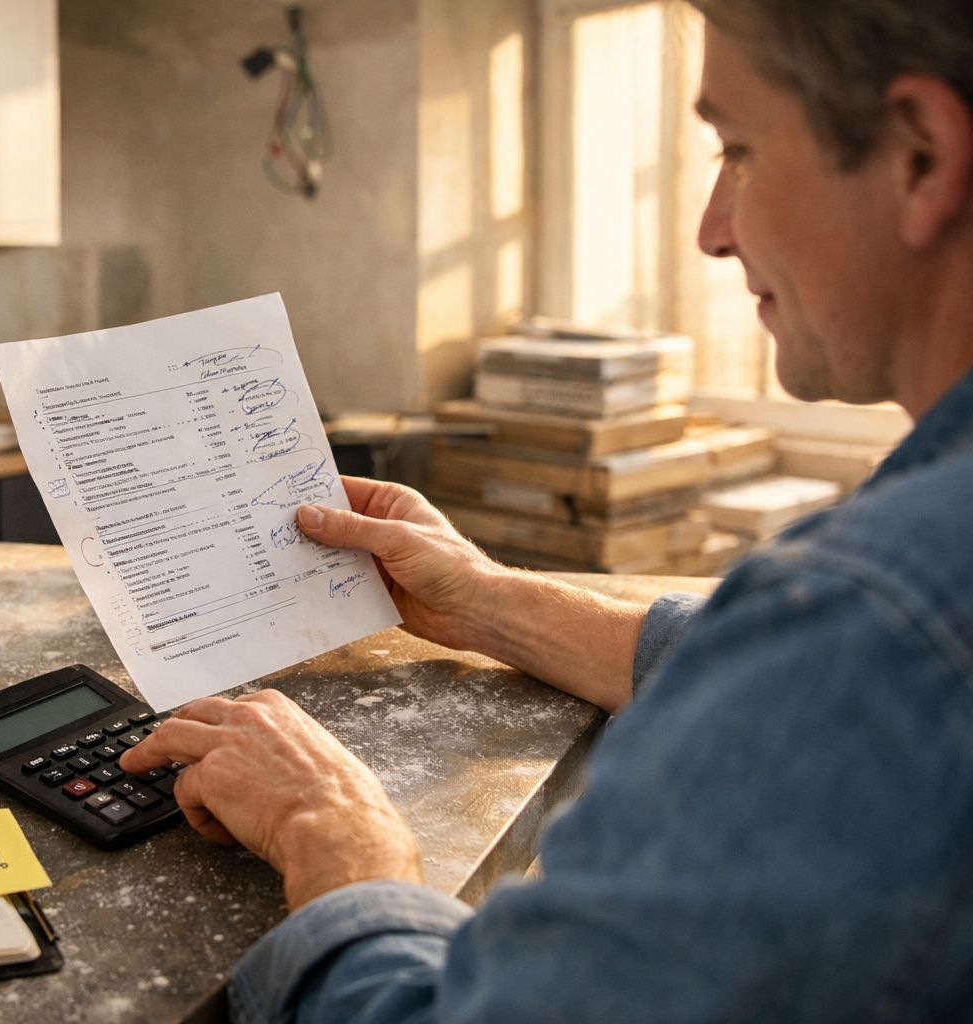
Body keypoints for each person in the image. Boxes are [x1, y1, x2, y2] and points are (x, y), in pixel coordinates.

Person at [118, 1, 973, 1019]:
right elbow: (784, 671)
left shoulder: (872, 621)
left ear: (921, 157)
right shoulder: (880, 618)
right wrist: (482, 600)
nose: (710, 229)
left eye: (738, 149)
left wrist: (338, 840)